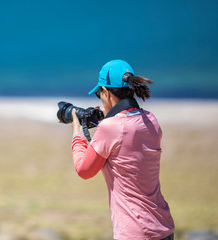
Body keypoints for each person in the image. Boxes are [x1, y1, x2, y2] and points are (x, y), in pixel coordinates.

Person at [71, 60, 175, 240]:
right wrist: (110, 116)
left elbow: (84, 170)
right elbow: (128, 138)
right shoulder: (151, 120)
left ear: (106, 92)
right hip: (164, 228)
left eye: (99, 94)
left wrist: (77, 134)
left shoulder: (110, 128)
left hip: (134, 232)